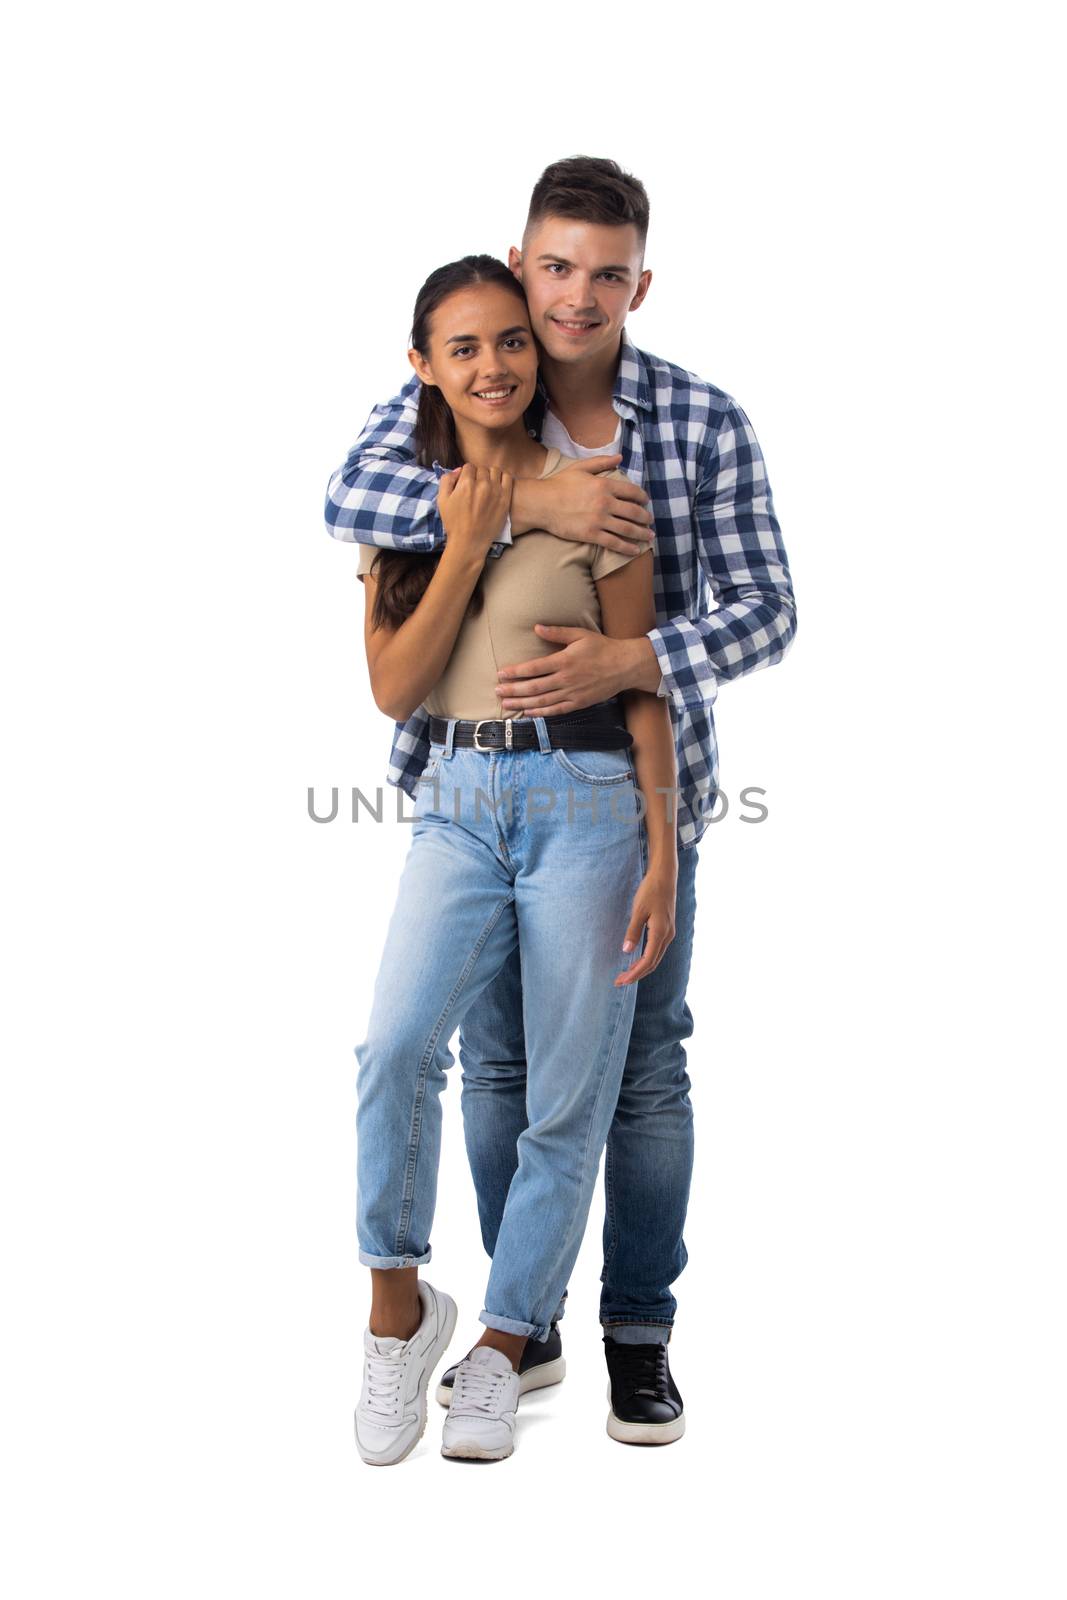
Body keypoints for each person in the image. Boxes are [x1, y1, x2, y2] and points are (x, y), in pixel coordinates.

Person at [327, 156, 797, 1446]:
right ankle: (501, 1327)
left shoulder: (694, 424)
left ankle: (626, 1335)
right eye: (554, 267)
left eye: (604, 273)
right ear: (521, 266)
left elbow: (767, 610)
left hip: (623, 784)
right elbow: (348, 502)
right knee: (480, 1064)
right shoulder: (460, 405)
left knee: (632, 1076)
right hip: (460, 789)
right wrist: (522, 501)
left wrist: (629, 662)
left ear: (638, 283)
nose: (574, 297)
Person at [350, 255, 678, 1465]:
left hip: (589, 798)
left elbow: (644, 689)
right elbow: (396, 686)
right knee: (394, 1048)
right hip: (457, 796)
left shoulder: (604, 497)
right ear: (424, 366)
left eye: (511, 343)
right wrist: (471, 530)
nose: (494, 365)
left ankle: (502, 1341)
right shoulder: (399, 511)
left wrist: (663, 857)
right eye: (465, 346)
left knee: (568, 1092)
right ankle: (398, 1303)